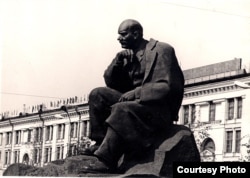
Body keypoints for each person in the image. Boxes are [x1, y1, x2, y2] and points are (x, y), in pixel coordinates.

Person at [81, 19, 184, 173]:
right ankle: (101, 142)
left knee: (122, 108)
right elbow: (111, 84)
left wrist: (136, 93)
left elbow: (166, 87)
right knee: (97, 94)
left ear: (135, 34)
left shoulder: (162, 50)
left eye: (123, 34)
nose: (118, 38)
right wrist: (117, 63)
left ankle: (107, 160)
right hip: (135, 105)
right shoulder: (127, 54)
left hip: (157, 110)